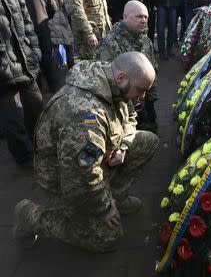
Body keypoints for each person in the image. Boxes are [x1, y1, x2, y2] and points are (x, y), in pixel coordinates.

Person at [13, 52, 159, 252]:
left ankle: (114, 196)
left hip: (95, 160)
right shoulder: (84, 115)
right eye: (141, 90)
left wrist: (123, 146)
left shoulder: (114, 82)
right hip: (64, 179)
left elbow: (131, 115)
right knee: (109, 237)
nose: (142, 96)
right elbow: (79, 177)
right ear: (122, 77)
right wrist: (103, 208)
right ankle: (30, 216)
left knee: (147, 141)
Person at [0, 0, 43, 167]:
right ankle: (25, 159)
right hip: (2, 69)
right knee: (12, 121)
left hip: (24, 58)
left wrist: (33, 49)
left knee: (37, 106)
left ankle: (44, 149)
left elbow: (25, 18)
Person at [97, 1, 159, 132]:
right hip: (125, 106)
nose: (143, 21)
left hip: (145, 99)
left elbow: (153, 69)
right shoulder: (111, 43)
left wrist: (151, 98)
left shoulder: (145, 41)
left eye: (146, 17)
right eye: (139, 16)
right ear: (125, 17)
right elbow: (111, 82)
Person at [5, 0, 62, 93]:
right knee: (47, 58)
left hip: (19, 33)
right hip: (41, 26)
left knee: (27, 63)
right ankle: (55, 88)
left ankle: (38, 92)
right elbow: (53, 8)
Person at [47, 0, 75, 69]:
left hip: (65, 22)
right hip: (54, 24)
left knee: (70, 47)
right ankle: (57, 71)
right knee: (56, 49)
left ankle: (71, 68)